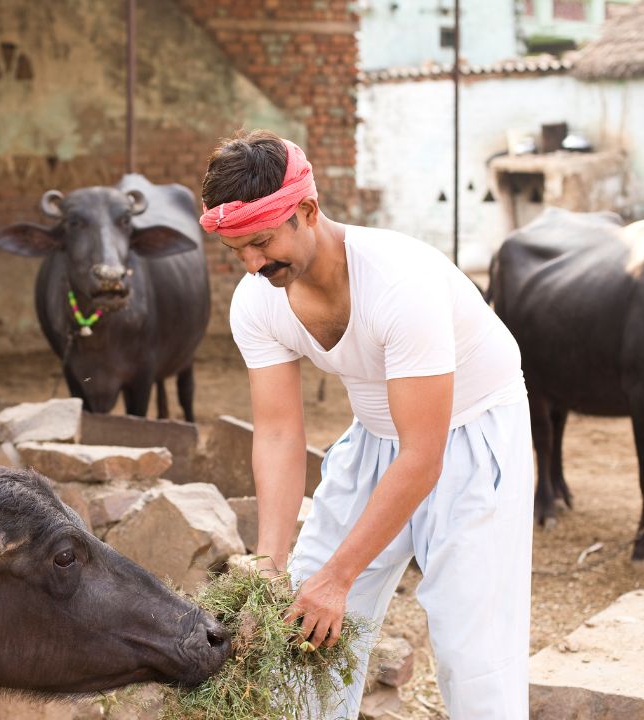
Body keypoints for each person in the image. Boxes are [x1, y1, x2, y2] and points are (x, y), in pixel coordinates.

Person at [200, 130, 533, 719]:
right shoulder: (258, 300)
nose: (251, 264)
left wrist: (340, 577)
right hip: (375, 440)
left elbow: (424, 457)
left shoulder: (401, 284)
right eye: (236, 251)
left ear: (306, 211)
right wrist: (270, 566)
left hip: (473, 437)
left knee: (470, 646)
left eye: (261, 242)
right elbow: (278, 434)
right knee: (300, 629)